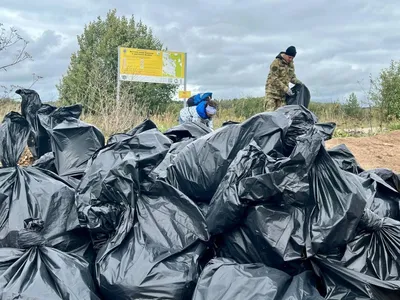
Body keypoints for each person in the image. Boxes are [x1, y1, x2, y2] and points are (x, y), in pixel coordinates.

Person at [264, 46, 302, 111]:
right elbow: (274, 78)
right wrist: (286, 89)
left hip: (282, 96)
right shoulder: (276, 63)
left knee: (282, 115)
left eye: (292, 58)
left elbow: (292, 77)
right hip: (272, 93)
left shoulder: (291, 64)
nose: (290, 59)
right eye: (289, 57)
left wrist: (299, 83)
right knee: (269, 114)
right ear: (285, 55)